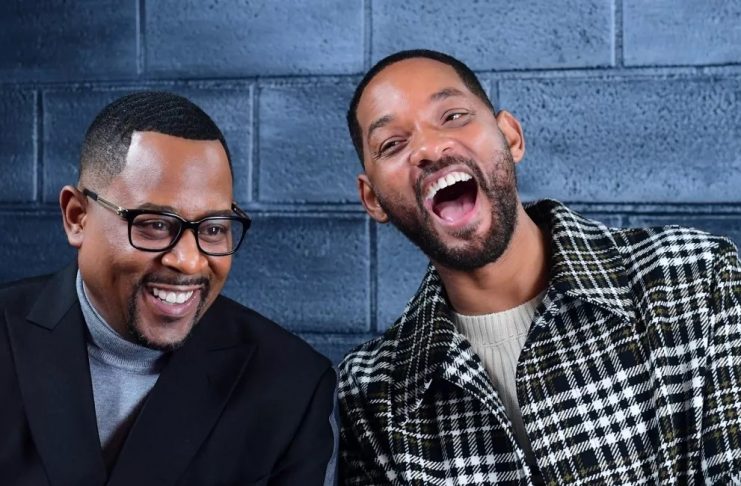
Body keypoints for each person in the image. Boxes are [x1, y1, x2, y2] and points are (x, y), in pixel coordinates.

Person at [337, 49, 741, 484]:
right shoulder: (369, 394)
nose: (429, 148)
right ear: (373, 199)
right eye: (392, 144)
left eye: (453, 116)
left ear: (510, 136)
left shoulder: (697, 277)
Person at [0, 91, 336, 485]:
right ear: (77, 217)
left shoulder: (292, 386)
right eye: (155, 225)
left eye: (213, 229)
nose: (189, 261)